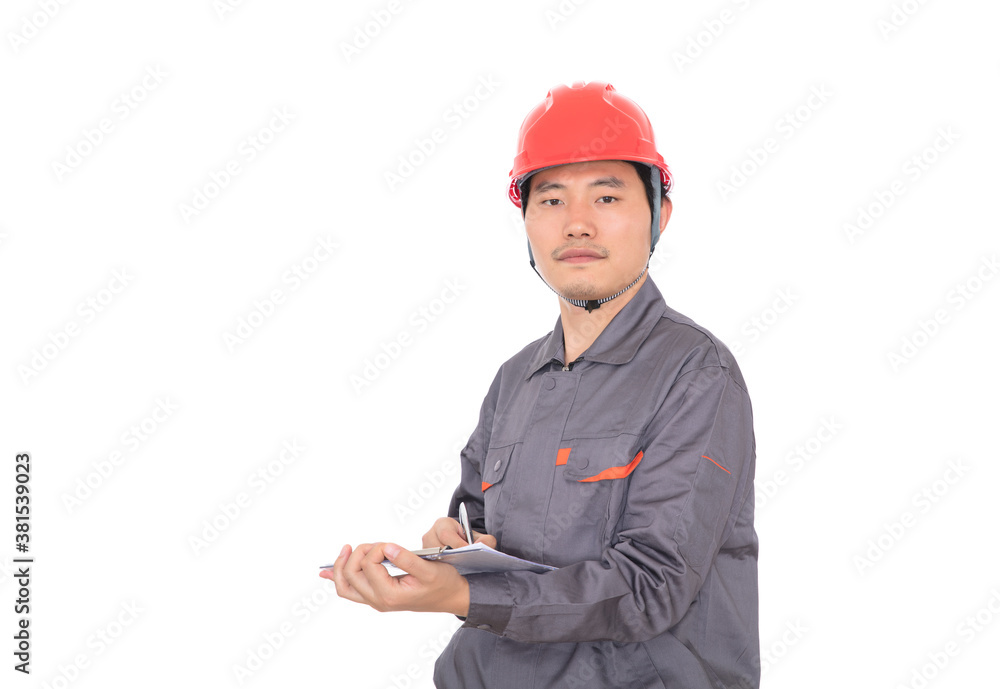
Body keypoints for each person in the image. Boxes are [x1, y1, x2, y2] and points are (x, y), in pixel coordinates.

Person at [323, 81, 759, 689]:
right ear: (526, 219)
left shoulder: (696, 373)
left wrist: (463, 596)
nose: (576, 224)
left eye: (606, 196)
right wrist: (446, 552)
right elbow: (475, 525)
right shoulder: (515, 379)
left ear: (659, 213)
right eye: (551, 201)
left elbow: (652, 587)